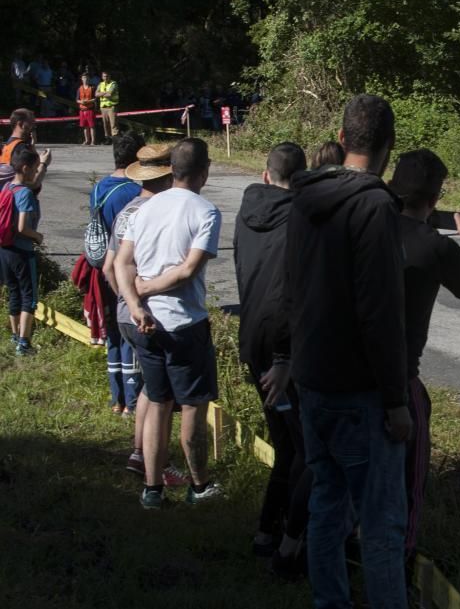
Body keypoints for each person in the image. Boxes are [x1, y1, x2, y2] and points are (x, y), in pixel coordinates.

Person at [285, 94, 411, 608]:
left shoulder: (303, 197)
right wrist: (396, 398)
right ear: (389, 147)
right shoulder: (375, 207)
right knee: (380, 524)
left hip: (313, 378)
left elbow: (292, 287)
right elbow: (380, 311)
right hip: (360, 390)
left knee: (326, 504)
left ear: (341, 140)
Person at [388, 149, 460, 557]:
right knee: (411, 475)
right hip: (399, 374)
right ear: (435, 198)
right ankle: (402, 555)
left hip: (347, 365)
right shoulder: (435, 247)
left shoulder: (368, 227)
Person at [115, 137, 223, 510]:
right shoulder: (206, 211)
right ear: (204, 173)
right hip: (182, 323)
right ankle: (199, 484)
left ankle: (152, 489)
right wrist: (147, 288)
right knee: (193, 405)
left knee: (157, 402)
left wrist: (136, 302)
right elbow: (188, 269)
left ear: (170, 170)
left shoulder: (144, 207)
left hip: (141, 322)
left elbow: (121, 263)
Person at [234, 142, 311, 576]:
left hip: (252, 343)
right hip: (282, 351)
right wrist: (287, 354)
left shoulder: (247, 213)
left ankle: (269, 531)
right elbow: (289, 293)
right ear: (299, 181)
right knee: (304, 449)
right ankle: (288, 542)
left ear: (265, 175)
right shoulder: (299, 222)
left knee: (286, 444)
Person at [102, 144, 188, 488]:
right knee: (163, 395)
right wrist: (141, 300)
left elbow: (110, 266)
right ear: (167, 174)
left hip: (126, 312)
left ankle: (139, 454)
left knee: (150, 389)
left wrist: (125, 298)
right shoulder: (157, 211)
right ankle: (159, 464)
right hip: (152, 312)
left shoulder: (127, 210)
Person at [91, 134, 144, 413]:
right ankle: (132, 401)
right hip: (124, 269)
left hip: (100, 268)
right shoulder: (132, 192)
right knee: (128, 334)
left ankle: (116, 397)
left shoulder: (99, 187)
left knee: (112, 332)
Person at [1, 144, 44, 356]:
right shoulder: (25, 193)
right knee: (29, 297)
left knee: (13, 292)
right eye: (35, 168)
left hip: (5, 249)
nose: (36, 172)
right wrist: (37, 236)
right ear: (25, 168)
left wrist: (44, 164)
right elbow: (22, 227)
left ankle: (15, 336)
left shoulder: (7, 187)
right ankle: (25, 344)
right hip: (22, 250)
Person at [1, 109, 50, 191]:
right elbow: (32, 183)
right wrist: (44, 163)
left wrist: (32, 146)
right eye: (31, 124)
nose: (34, 127)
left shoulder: (7, 146)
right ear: (20, 124)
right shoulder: (21, 149)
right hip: (18, 201)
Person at [96, 71, 119, 141]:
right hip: (103, 107)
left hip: (111, 107)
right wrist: (105, 93)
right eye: (104, 76)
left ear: (109, 76)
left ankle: (115, 139)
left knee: (113, 124)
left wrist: (101, 93)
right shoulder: (100, 84)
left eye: (107, 76)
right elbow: (96, 94)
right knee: (105, 124)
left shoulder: (113, 83)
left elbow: (110, 94)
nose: (105, 78)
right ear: (102, 77)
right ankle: (108, 139)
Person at [77, 74, 97, 146]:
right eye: (84, 78)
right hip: (82, 110)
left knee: (92, 126)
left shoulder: (92, 88)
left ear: (89, 79)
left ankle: (93, 141)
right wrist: (81, 102)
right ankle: (87, 140)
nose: (85, 79)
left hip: (90, 109)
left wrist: (88, 101)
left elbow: (95, 98)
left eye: (87, 78)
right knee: (85, 126)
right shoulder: (79, 88)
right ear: (81, 79)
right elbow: (77, 99)